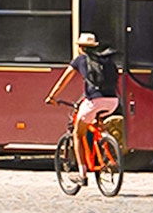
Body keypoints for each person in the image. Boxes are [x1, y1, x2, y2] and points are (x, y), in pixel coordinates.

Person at [44, 31, 120, 183]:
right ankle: (106, 145)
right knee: (96, 123)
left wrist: (51, 96)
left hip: (94, 102)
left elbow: (62, 82)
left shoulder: (80, 60)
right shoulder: (105, 60)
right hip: (113, 101)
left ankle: (82, 174)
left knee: (77, 135)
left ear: (81, 48)